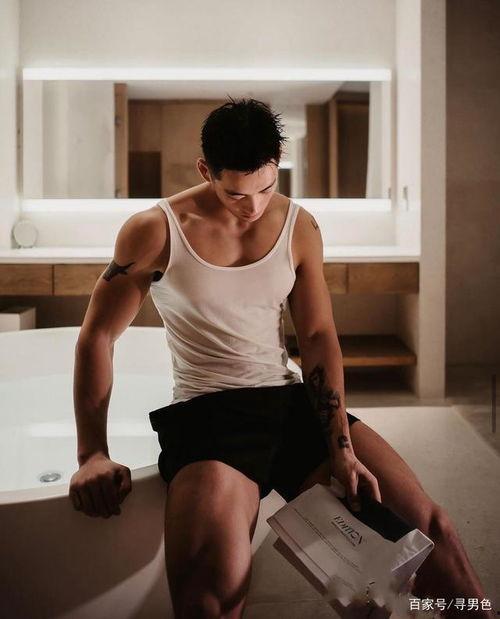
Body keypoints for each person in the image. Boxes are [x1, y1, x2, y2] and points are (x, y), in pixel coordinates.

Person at [69, 97, 489, 618]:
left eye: (266, 187)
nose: (253, 206)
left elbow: (316, 334)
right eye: (235, 193)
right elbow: (97, 337)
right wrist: (92, 453)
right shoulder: (155, 230)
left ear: (278, 163)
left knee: (433, 534)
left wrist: (340, 446)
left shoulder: (299, 226)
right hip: (209, 416)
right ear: (205, 170)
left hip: (290, 404)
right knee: (211, 593)